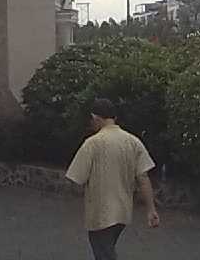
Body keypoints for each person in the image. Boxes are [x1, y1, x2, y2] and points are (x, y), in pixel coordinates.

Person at [65, 98, 160, 260]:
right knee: (106, 250)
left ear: (95, 118)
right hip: (123, 212)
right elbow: (143, 177)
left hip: (100, 213)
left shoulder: (92, 144)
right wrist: (151, 210)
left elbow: (76, 177)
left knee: (104, 253)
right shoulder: (133, 142)